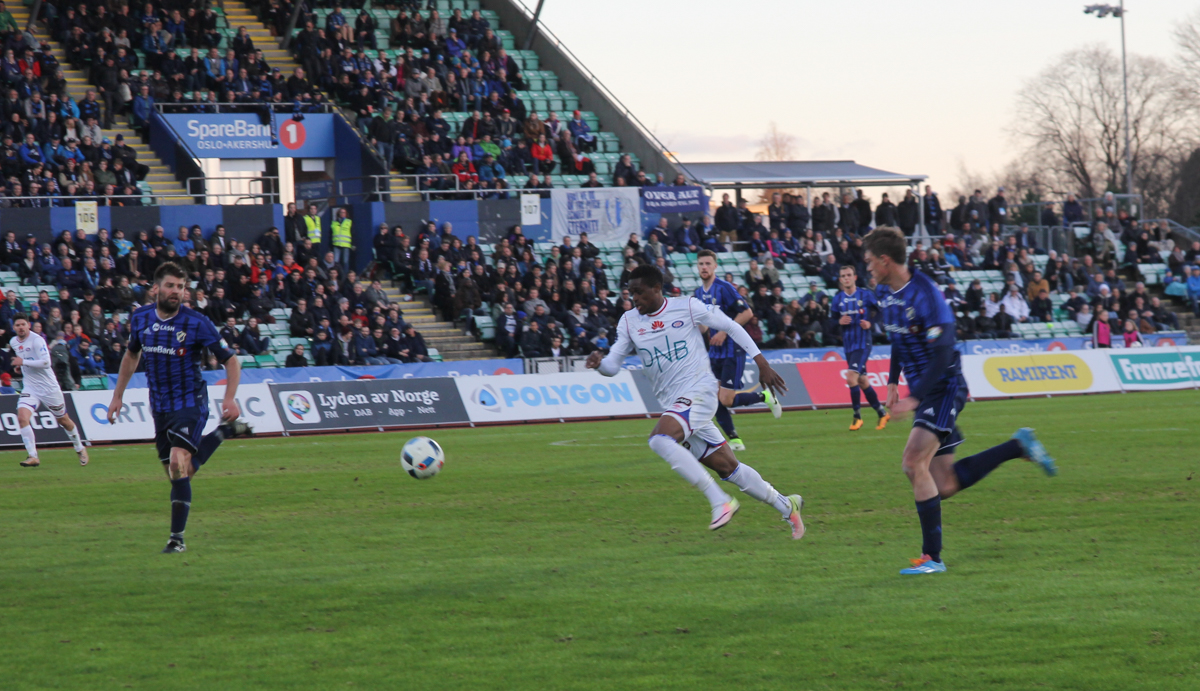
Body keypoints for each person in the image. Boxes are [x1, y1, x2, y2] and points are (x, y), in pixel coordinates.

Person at [865, 227, 1057, 575]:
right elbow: (897, 337)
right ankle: (1018, 446)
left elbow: (941, 356)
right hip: (925, 390)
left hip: (943, 386)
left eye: (869, 261)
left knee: (912, 463)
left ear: (885, 260)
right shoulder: (885, 293)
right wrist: (893, 378)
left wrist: (913, 398)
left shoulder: (927, 296)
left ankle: (932, 558)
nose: (867, 268)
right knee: (944, 484)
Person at [586, 264, 804, 537]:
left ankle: (719, 500)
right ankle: (788, 505)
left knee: (660, 440)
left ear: (656, 288)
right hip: (675, 404)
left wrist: (761, 362)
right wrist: (599, 364)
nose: (635, 299)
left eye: (639, 293)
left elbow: (731, 326)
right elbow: (612, 366)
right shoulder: (629, 321)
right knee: (729, 468)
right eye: (631, 294)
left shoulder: (687, 307)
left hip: (699, 392)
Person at [107, 262, 253, 554]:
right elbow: (131, 356)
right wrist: (117, 395)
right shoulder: (140, 318)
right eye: (171, 285)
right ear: (156, 288)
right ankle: (223, 433)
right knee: (180, 474)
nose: (177, 292)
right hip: (159, 407)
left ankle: (177, 540)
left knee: (177, 462)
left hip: (190, 402)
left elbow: (231, 361)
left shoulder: (197, 322)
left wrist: (229, 398)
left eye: (181, 287)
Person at [693, 249, 783, 451]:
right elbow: (703, 326)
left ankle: (764, 397)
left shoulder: (724, 288)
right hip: (713, 353)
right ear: (697, 267)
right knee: (712, 398)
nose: (704, 267)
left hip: (732, 350)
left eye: (708, 263)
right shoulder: (698, 294)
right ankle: (734, 439)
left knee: (726, 399)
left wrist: (724, 332)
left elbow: (747, 313)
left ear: (715, 266)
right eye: (701, 264)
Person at [10, 314, 89, 467]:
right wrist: (21, 366)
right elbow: (27, 360)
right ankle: (33, 456)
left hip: (48, 388)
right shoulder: (13, 342)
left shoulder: (37, 340)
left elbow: (46, 362)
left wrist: (24, 362)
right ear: (14, 328)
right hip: (30, 387)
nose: (20, 327)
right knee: (21, 417)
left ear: (28, 326)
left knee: (63, 420)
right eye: (17, 325)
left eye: (23, 324)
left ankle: (79, 448)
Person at [831, 265, 888, 431]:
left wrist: (871, 322)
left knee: (851, 378)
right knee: (862, 381)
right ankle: (882, 413)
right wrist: (838, 322)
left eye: (849, 275)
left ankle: (857, 417)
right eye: (843, 276)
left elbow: (882, 311)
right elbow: (832, 321)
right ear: (840, 279)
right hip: (848, 345)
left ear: (855, 277)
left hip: (863, 343)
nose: (846, 278)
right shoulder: (837, 299)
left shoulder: (866, 294)